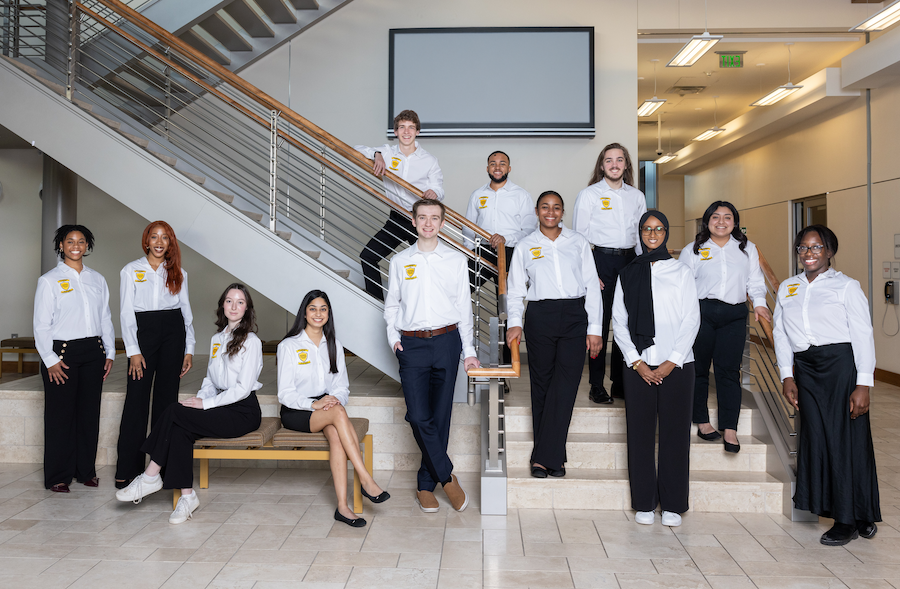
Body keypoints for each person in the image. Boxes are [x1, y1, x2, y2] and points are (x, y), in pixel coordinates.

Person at [116, 284, 263, 525]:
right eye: (229, 301)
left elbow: (242, 389)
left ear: (247, 309)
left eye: (240, 302)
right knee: (179, 427)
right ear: (222, 306)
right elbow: (210, 379)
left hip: (242, 410)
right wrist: (201, 400)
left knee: (174, 410)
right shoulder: (217, 339)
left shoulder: (252, 341)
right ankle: (187, 496)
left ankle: (151, 475)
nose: (234, 306)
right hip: (219, 404)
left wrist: (205, 405)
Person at [774, 225, 879, 546]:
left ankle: (847, 519)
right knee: (817, 440)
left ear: (830, 252)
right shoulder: (787, 288)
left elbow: (863, 335)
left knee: (844, 440)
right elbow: (780, 332)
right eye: (803, 248)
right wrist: (786, 375)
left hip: (840, 367)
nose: (809, 254)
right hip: (806, 370)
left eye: (816, 248)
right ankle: (856, 511)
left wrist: (864, 384)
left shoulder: (846, 287)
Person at [384, 199, 480, 513]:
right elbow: (392, 305)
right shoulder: (400, 261)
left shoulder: (455, 260)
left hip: (447, 340)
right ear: (413, 221)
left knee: (440, 415)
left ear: (442, 222)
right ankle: (446, 476)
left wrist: (469, 352)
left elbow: (465, 309)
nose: (428, 223)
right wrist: (393, 338)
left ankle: (426, 483)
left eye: (434, 218)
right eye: (422, 217)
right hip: (411, 345)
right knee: (417, 414)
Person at [506, 191, 602, 478]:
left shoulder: (578, 242)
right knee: (543, 384)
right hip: (540, 316)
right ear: (537, 211)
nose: (551, 212)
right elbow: (514, 291)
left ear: (563, 212)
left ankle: (542, 457)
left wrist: (595, 328)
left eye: (556, 207)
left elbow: (592, 287)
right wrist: (515, 322)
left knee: (567, 383)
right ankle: (554, 458)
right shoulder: (525, 246)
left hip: (575, 316)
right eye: (545, 207)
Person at [612, 211, 700, 527]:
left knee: (676, 434)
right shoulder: (628, 273)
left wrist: (670, 360)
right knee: (640, 434)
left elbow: (692, 318)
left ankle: (673, 503)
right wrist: (637, 361)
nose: (652, 233)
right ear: (640, 232)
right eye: (647, 229)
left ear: (666, 232)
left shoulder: (682, 271)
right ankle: (645, 503)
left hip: (677, 365)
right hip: (639, 368)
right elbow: (619, 323)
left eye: (658, 228)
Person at [278, 289, 390, 528]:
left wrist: (333, 399)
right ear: (304, 313)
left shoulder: (334, 344)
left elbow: (342, 386)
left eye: (323, 309)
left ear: (328, 313)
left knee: (337, 436)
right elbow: (285, 393)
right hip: (297, 410)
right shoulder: (289, 345)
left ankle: (342, 507)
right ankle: (365, 478)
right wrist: (314, 404)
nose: (318, 314)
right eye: (313, 309)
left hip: (326, 406)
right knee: (338, 414)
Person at [680, 202, 770, 453]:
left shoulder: (747, 249)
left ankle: (729, 427)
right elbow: (683, 286)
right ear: (707, 221)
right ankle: (702, 421)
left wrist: (760, 304)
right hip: (701, 314)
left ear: (735, 221)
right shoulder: (693, 250)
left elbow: (755, 281)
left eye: (727, 217)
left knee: (729, 372)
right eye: (715, 217)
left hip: (734, 314)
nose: (721, 221)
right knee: (697, 370)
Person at [34, 225, 115, 492]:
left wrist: (109, 352)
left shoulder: (97, 279)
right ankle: (58, 475)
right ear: (61, 245)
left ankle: (85, 472)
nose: (76, 245)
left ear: (87, 246)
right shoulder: (49, 280)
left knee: (88, 414)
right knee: (60, 416)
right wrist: (50, 359)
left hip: (94, 352)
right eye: (70, 241)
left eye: (81, 241)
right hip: (62, 354)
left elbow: (105, 318)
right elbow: (42, 324)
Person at [115, 221, 195, 489]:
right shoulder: (130, 270)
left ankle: (161, 468)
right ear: (146, 241)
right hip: (144, 335)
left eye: (165, 238)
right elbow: (126, 314)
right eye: (154, 237)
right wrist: (133, 351)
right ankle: (127, 468)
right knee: (136, 399)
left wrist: (189, 349)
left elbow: (186, 314)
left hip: (174, 334)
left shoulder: (179, 273)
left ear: (170, 243)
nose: (159, 242)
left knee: (166, 401)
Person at [572, 143, 647, 405]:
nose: (614, 164)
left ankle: (619, 382)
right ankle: (596, 384)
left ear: (626, 164)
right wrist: (589, 273)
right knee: (599, 325)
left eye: (619, 160)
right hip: (599, 261)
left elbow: (639, 237)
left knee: (624, 324)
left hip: (630, 263)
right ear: (601, 165)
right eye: (608, 160)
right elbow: (579, 239)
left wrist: (642, 267)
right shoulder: (589, 194)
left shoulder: (636, 196)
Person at [355, 109, 444, 301]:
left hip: (418, 222)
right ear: (395, 131)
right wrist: (376, 154)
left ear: (417, 131)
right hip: (395, 219)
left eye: (411, 128)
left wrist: (434, 193)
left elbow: (438, 187)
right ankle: (376, 302)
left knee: (427, 267)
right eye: (402, 127)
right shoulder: (386, 152)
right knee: (368, 256)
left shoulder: (429, 160)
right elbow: (356, 149)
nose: (406, 132)